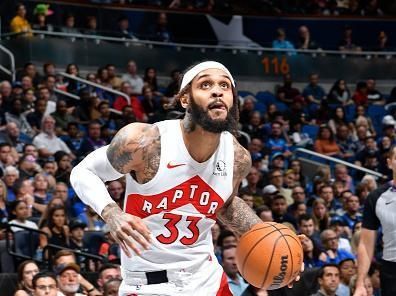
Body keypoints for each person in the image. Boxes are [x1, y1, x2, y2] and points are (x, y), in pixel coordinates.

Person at [71, 61, 303, 295]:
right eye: (205, 84)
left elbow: (226, 204)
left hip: (207, 281)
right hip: (148, 285)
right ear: (185, 99)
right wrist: (112, 214)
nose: (217, 90)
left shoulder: (237, 157)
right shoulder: (145, 142)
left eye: (225, 85)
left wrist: (277, 242)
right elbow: (83, 172)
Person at [354, 144, 396, 296]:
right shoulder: (376, 197)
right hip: (392, 270)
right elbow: (365, 244)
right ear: (389, 162)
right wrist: (360, 283)